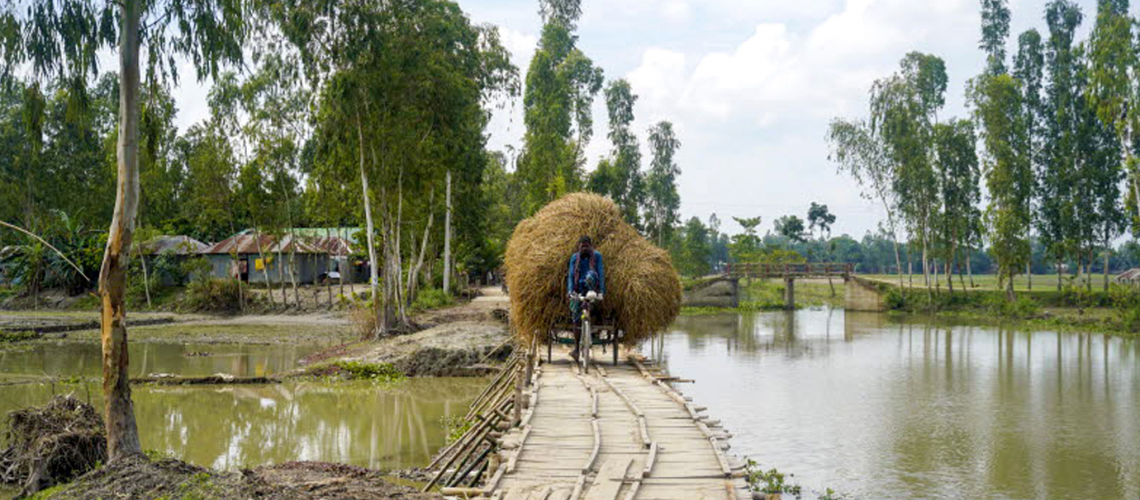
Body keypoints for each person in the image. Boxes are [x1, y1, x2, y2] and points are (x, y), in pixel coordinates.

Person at [567, 235, 605, 360]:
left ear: (590, 246)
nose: (584, 249)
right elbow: (571, 276)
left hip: (592, 289)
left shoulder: (597, 256)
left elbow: (600, 273)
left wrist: (601, 292)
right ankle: (577, 349)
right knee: (576, 319)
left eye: (586, 246)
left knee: (591, 274)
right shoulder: (575, 258)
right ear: (579, 247)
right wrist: (570, 291)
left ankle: (593, 333)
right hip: (578, 290)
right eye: (582, 246)